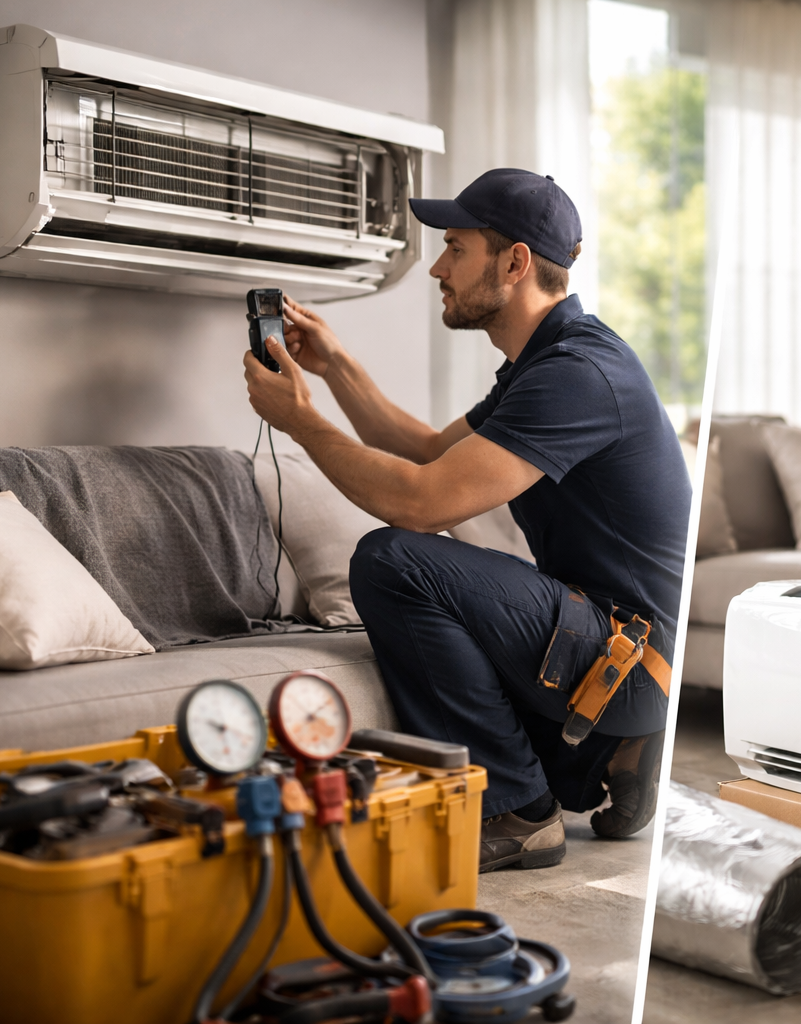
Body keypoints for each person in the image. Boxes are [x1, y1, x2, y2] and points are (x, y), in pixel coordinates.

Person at [244, 168, 690, 871]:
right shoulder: (546, 363)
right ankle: (614, 749)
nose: (436, 268)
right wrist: (334, 367)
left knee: (394, 559)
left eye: (455, 247)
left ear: (514, 263)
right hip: (610, 633)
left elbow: (422, 501)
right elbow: (428, 450)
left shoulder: (576, 375)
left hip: (630, 651)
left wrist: (301, 423)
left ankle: (517, 813)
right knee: (433, 582)